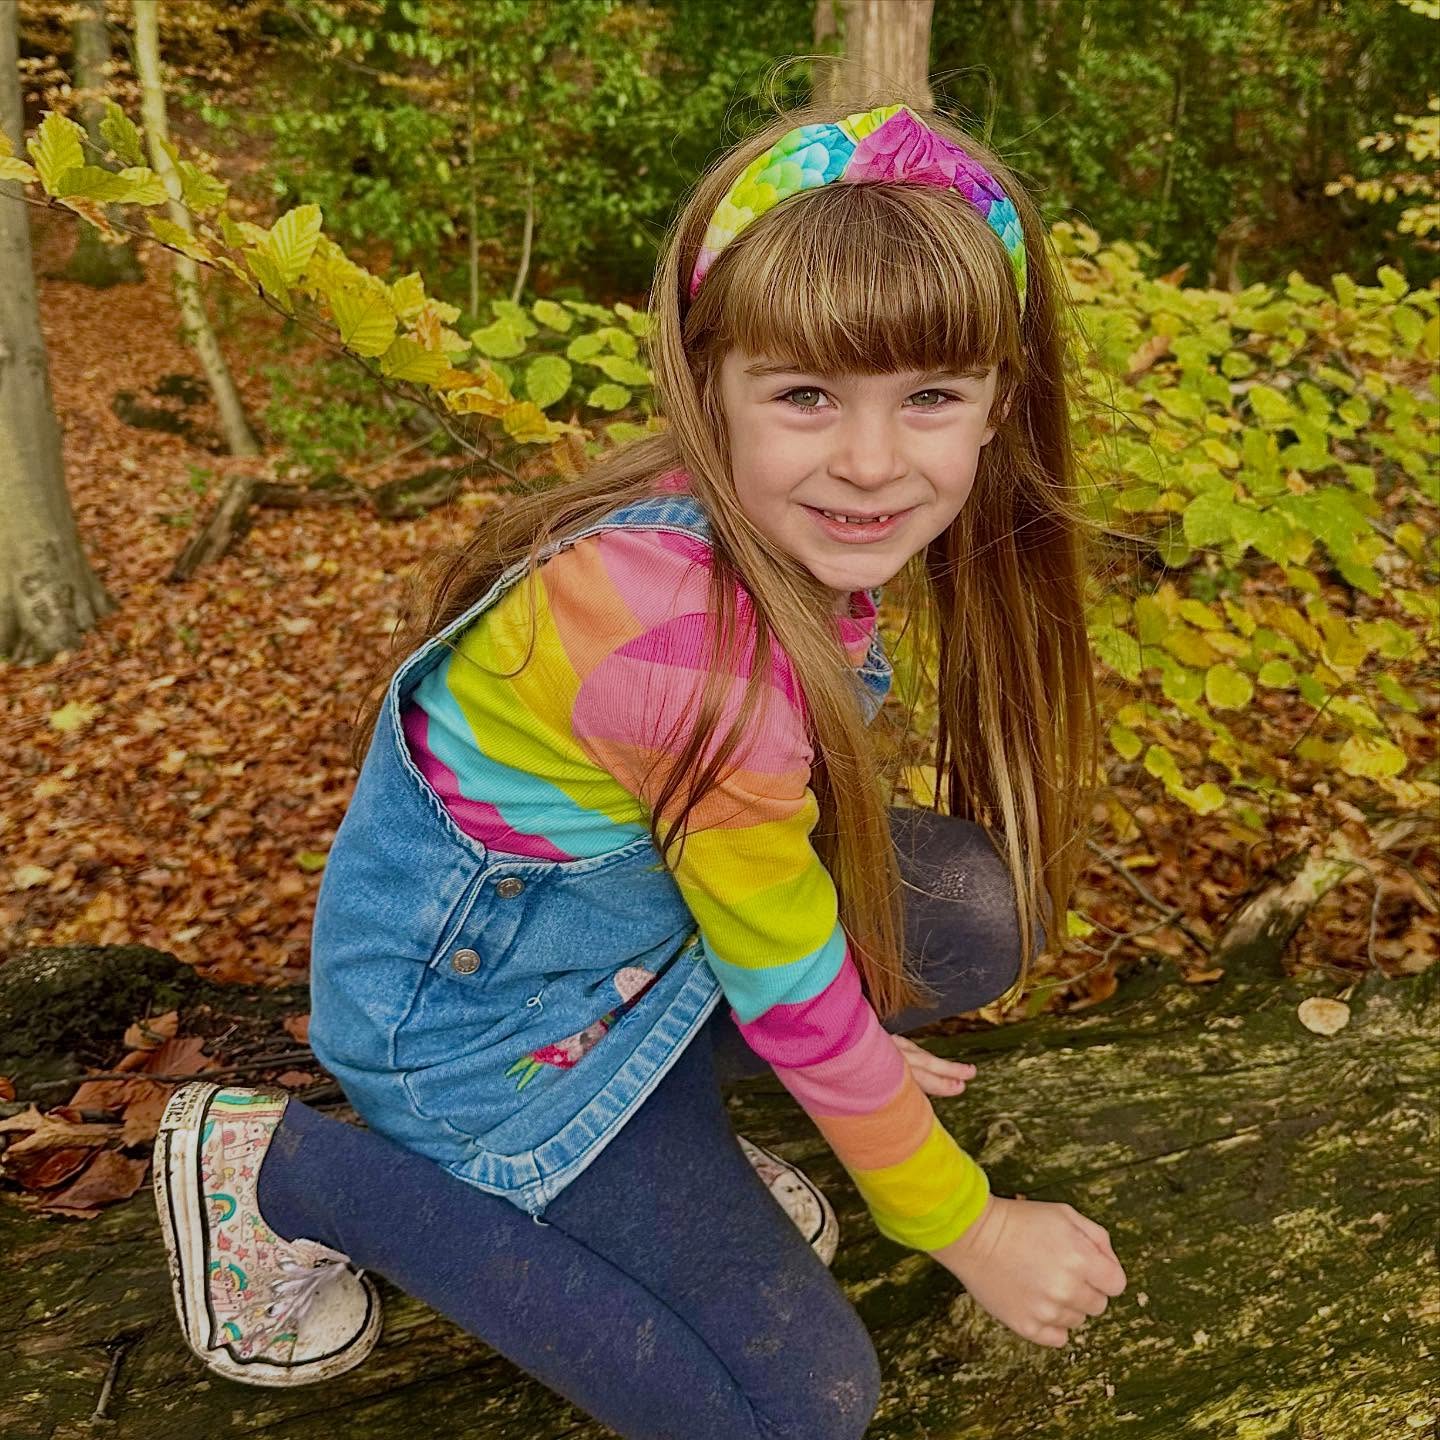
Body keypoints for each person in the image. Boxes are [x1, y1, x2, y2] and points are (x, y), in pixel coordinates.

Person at [152, 98, 1127, 1438]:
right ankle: (287, 1175)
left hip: (637, 954)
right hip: (486, 1043)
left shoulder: (761, 520)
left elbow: (773, 880)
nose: (869, 460)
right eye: (805, 395)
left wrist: (856, 1058)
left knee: (962, 913)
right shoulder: (680, 659)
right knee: (795, 1408)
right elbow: (787, 979)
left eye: (930, 399)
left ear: (995, 404)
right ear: (708, 385)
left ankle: (667, 1157)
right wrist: (969, 1223)